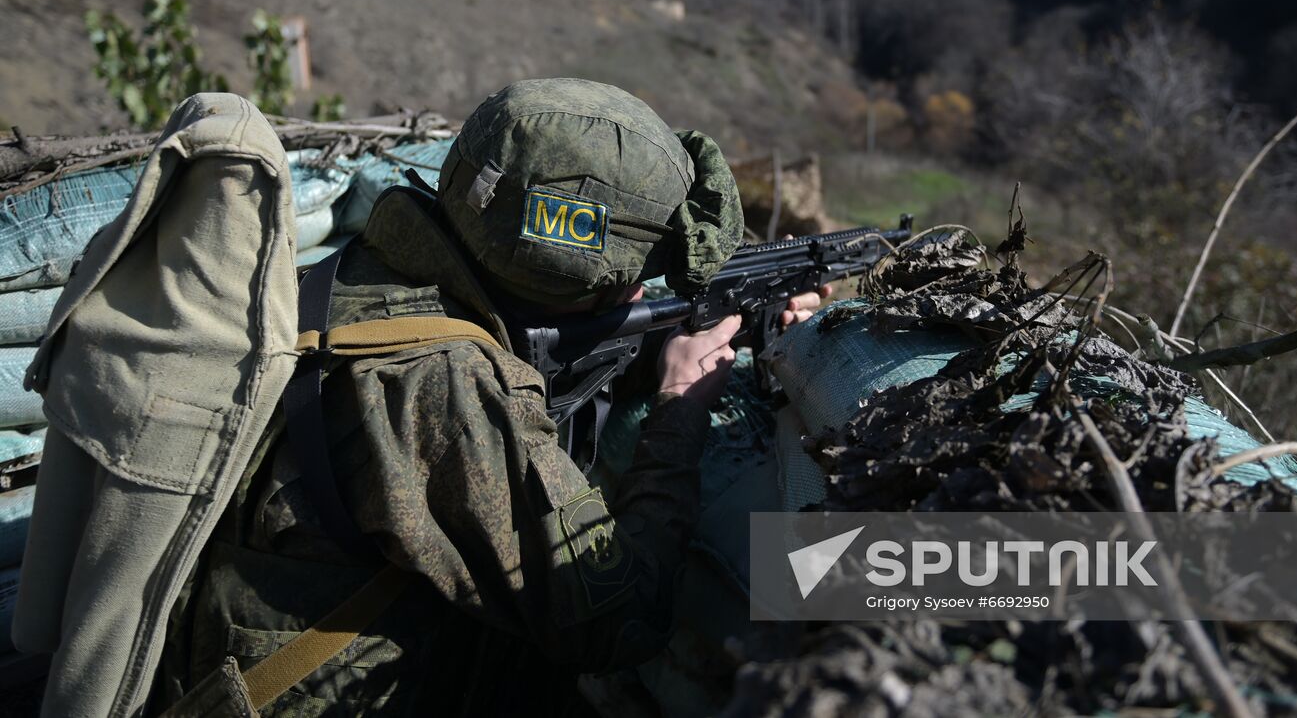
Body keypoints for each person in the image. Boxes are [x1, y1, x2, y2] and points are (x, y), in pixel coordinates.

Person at [151, 78, 828, 715]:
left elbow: (562, 345)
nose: (638, 296)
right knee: (863, 568)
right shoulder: (440, 387)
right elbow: (619, 615)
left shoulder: (388, 268)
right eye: (632, 280)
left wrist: (714, 328)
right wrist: (680, 403)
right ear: (565, 270)